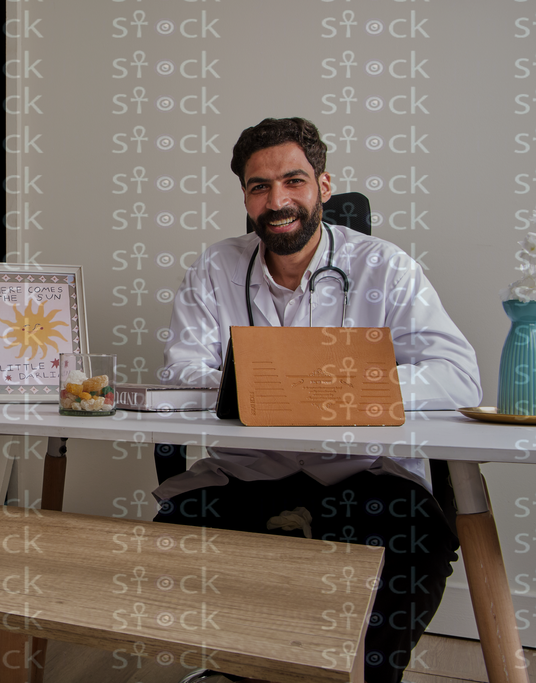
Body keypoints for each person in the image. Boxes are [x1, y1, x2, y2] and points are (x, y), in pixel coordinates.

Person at [155, 118, 481, 683]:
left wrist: (333, 383)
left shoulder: (387, 268)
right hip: (245, 477)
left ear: (323, 187)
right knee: (177, 535)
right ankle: (234, 669)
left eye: (293, 181)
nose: (278, 200)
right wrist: (254, 381)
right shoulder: (214, 269)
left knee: (414, 543)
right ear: (246, 197)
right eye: (260, 186)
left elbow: (457, 378)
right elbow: (180, 373)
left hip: (366, 475)